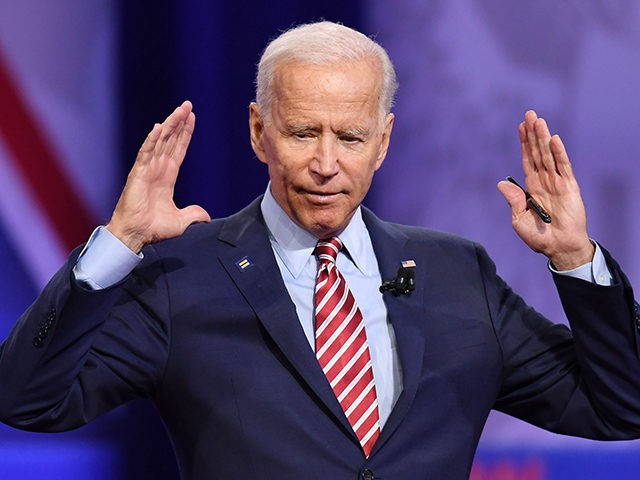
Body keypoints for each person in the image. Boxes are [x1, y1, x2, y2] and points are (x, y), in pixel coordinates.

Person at [1, 21, 639, 480]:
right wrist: (118, 245)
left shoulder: (456, 273)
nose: (326, 164)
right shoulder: (181, 277)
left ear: (384, 142)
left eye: (351, 137)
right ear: (259, 131)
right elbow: (26, 401)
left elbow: (621, 409)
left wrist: (576, 259)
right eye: (303, 132)